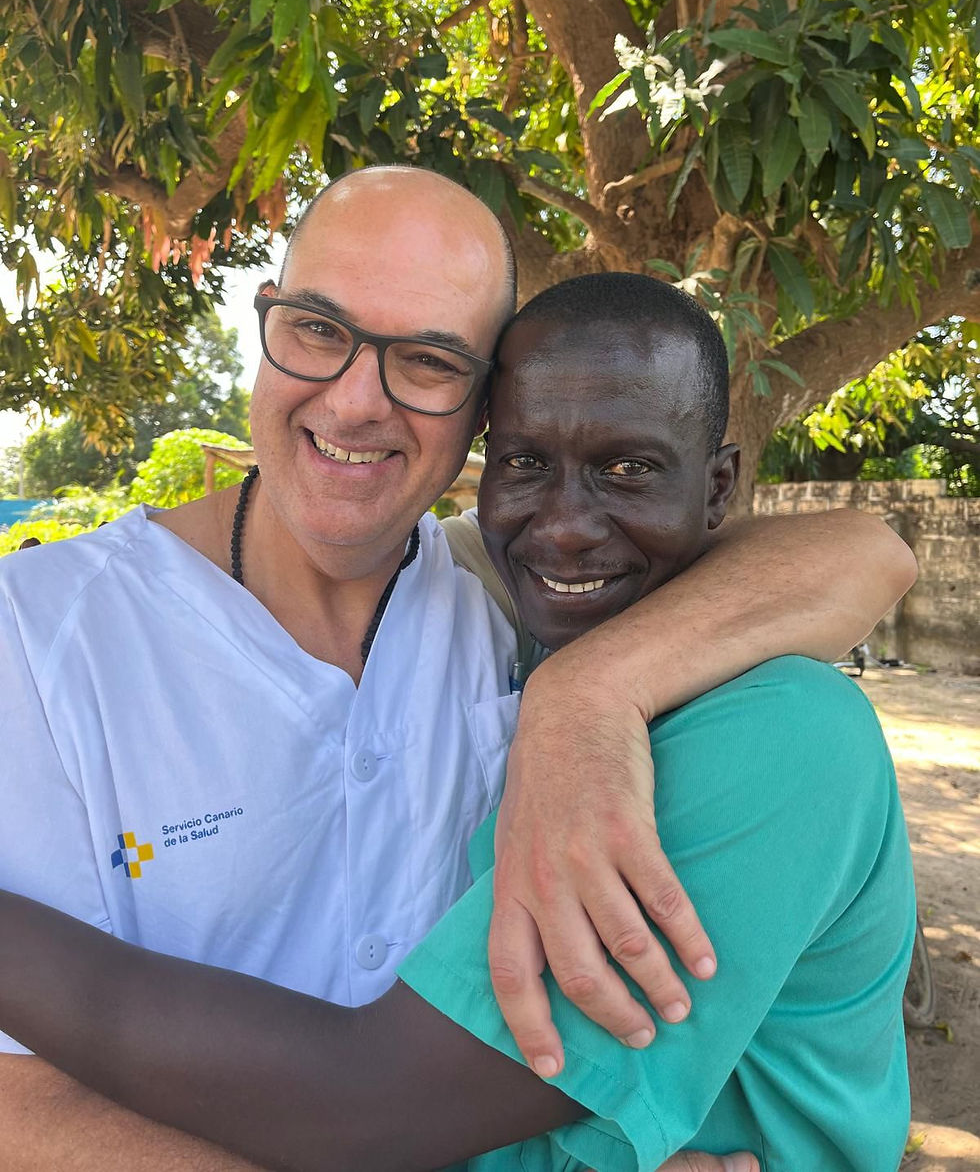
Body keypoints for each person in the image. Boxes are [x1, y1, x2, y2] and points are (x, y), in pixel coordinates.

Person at [0, 172, 913, 1169]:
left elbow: (867, 551)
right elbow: (20, 1103)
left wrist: (585, 694)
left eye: (428, 360)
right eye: (317, 328)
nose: (356, 400)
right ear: (267, 321)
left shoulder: (508, 605)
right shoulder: (36, 640)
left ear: (478, 409)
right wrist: (584, 691)